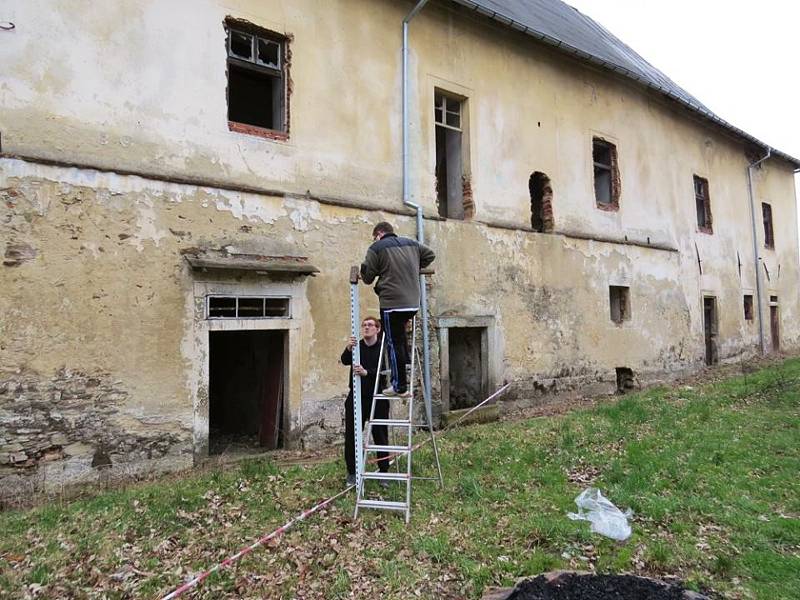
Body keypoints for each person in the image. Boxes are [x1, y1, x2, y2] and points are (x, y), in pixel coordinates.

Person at [360, 221, 435, 397]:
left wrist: (373, 270)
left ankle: (399, 386)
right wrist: (413, 266)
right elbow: (430, 255)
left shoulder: (376, 247)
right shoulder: (411, 243)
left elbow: (368, 277)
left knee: (393, 344)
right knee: (399, 338)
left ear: (379, 234)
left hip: (392, 304)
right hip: (412, 303)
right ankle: (405, 363)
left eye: (374, 237)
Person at [341, 315, 390, 486]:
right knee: (352, 436)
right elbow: (344, 360)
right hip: (356, 397)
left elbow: (384, 369)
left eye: (370, 325)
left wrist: (366, 373)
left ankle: (384, 473)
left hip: (377, 398)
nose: (367, 327)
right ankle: (352, 473)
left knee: (380, 435)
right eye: (364, 325)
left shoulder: (383, 348)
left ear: (377, 329)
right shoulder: (357, 346)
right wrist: (348, 347)